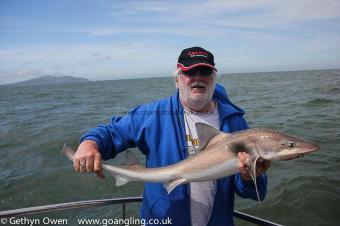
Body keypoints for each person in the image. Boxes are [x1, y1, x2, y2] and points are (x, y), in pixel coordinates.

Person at [74, 47, 270, 226]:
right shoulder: (154, 115)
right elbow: (110, 132)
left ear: (214, 77)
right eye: (190, 72)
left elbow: (251, 192)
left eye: (205, 72)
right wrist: (90, 144)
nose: (198, 77)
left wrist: (250, 176)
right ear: (177, 80)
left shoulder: (234, 122)